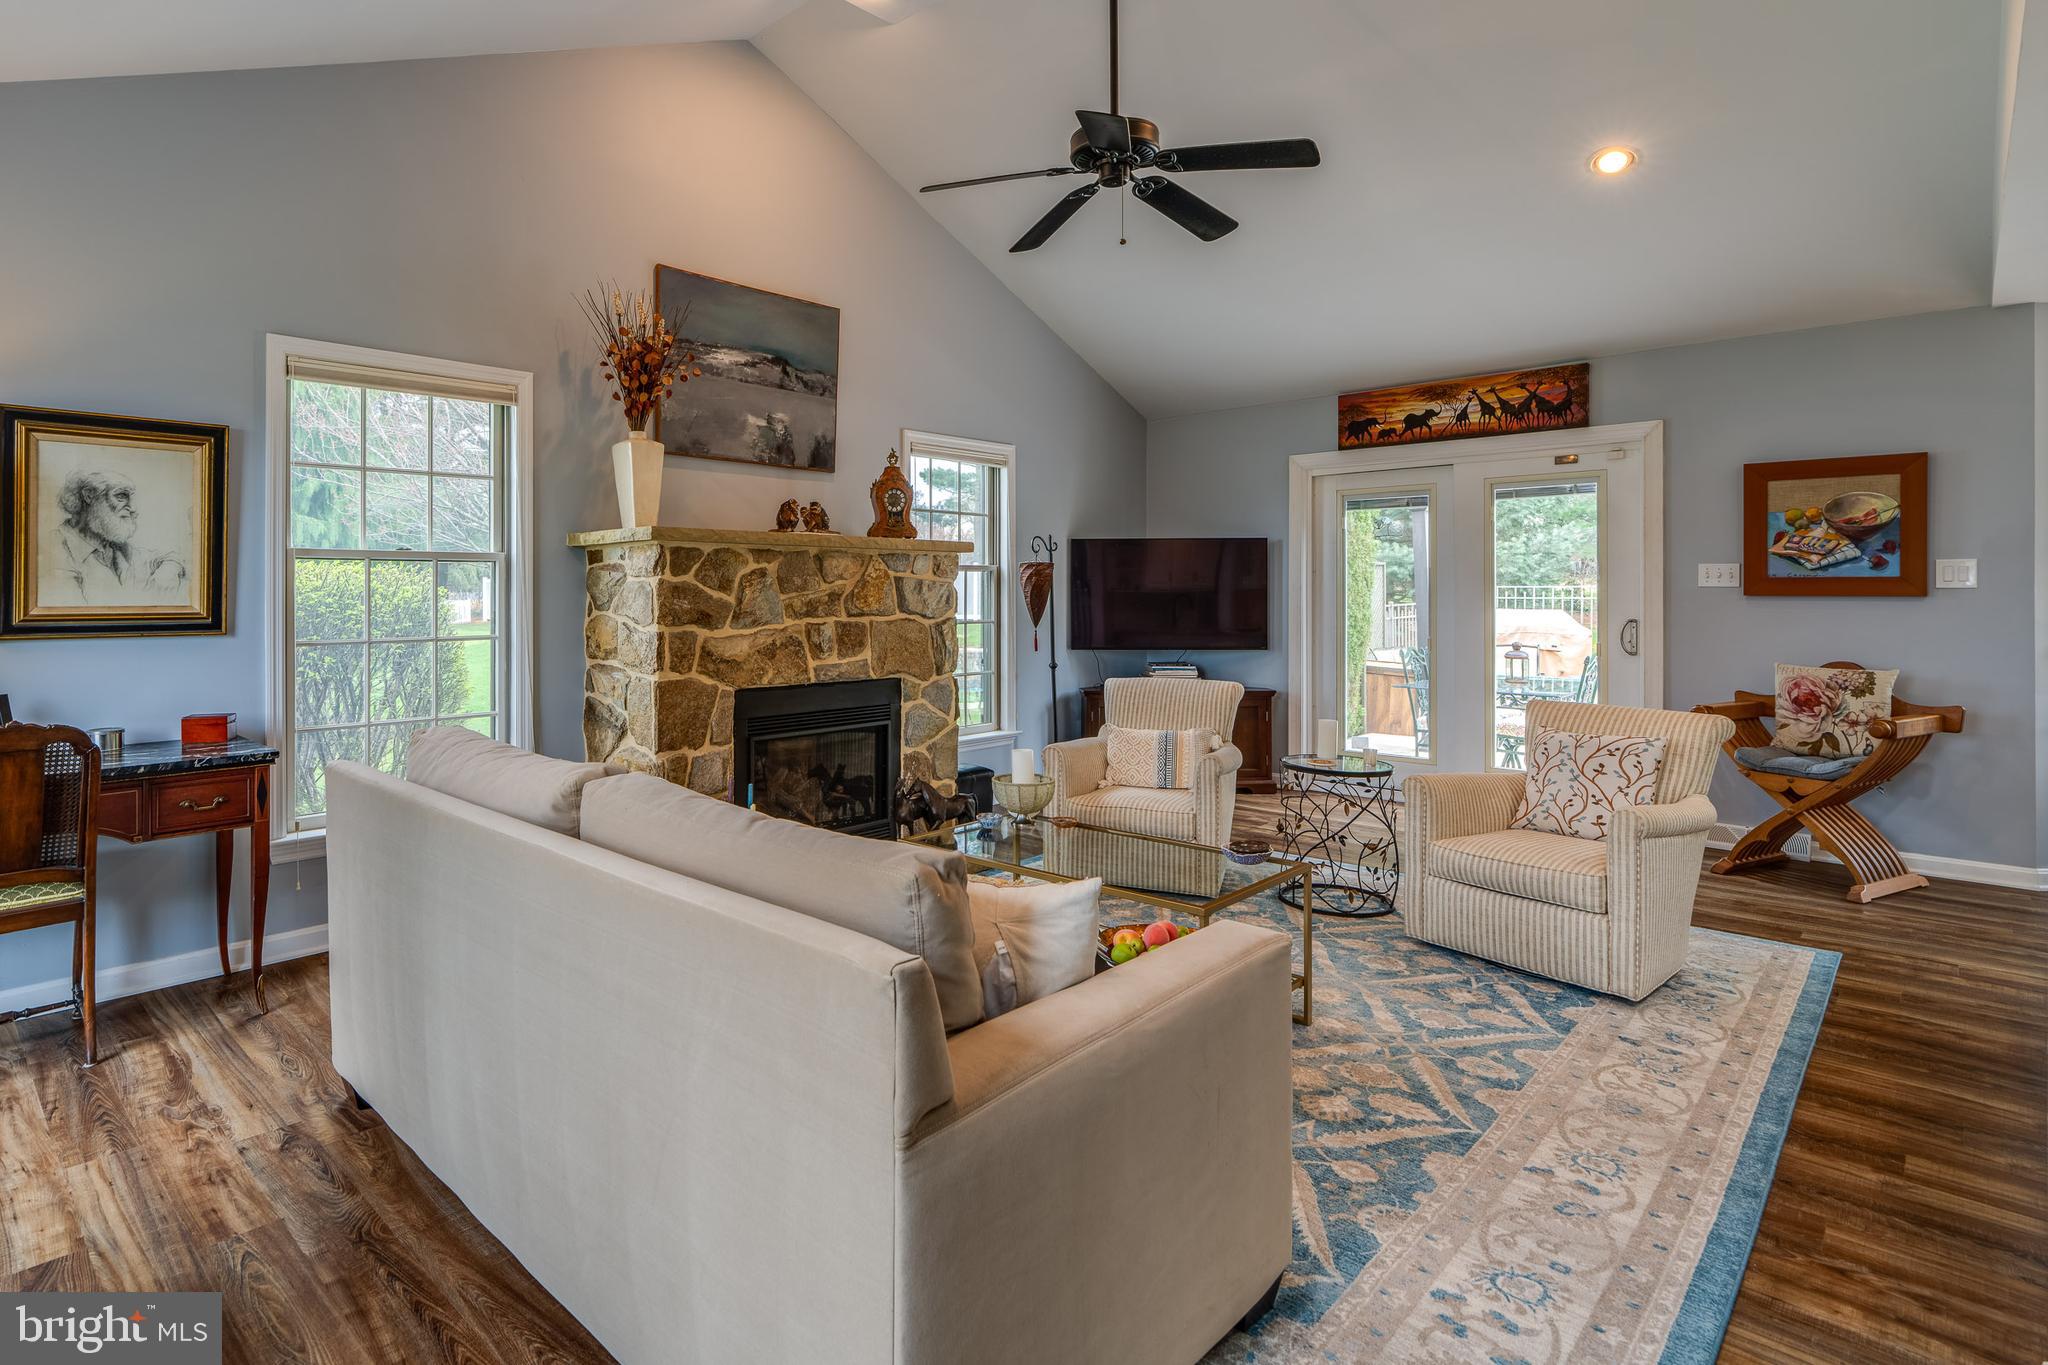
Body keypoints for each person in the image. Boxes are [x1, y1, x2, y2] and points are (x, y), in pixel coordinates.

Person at [44, 469, 188, 605]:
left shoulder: (115, 547)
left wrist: (167, 574)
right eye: (121, 496)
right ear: (89, 495)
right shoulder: (53, 552)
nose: (133, 509)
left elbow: (170, 557)